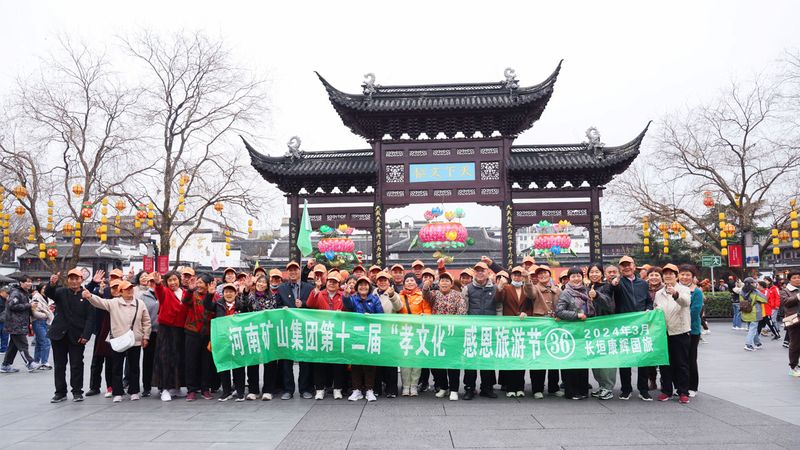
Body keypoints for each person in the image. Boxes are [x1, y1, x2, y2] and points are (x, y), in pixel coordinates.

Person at [84, 280, 151, 403]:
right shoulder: (114, 303)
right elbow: (100, 303)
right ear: (120, 292)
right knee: (117, 367)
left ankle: (134, 391)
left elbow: (146, 321)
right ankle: (117, 392)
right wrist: (90, 296)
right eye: (126, 289)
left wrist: (145, 337)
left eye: (131, 288)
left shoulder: (139, 303)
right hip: (118, 340)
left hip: (135, 340)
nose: (130, 290)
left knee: (134, 367)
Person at [46, 269, 96, 402]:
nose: (74, 281)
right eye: (71, 279)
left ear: (82, 280)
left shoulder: (86, 295)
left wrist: (86, 335)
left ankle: (77, 391)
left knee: (77, 364)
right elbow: (49, 293)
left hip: (77, 336)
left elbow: (91, 318)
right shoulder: (61, 292)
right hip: (58, 334)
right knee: (59, 365)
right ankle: (60, 392)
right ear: (67, 280)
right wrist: (52, 284)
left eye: (77, 279)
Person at [612, 255, 653, 401]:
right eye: (623, 265)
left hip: (641, 326)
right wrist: (614, 284)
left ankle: (643, 389)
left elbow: (648, 301)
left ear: (634, 266)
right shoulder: (617, 283)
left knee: (643, 358)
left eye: (628, 265)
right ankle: (626, 389)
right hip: (624, 326)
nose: (626, 267)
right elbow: (612, 294)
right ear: (620, 269)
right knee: (625, 358)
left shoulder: (642, 284)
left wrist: (648, 309)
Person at [423, 271, 466, 401]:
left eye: (447, 280)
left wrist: (453, 325)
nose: (444, 282)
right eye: (442, 280)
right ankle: (443, 387)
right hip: (437, 333)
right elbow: (425, 296)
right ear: (439, 283)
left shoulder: (458, 296)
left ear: (452, 283)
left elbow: (462, 313)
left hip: (453, 334)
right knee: (438, 361)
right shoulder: (435, 294)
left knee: (453, 363)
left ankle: (453, 389)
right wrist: (426, 286)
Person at [275, 261, 314, 400]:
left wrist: (303, 304)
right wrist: (282, 309)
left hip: (304, 329)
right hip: (287, 330)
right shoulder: (281, 289)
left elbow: (314, 306)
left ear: (299, 271)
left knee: (305, 360)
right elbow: (277, 306)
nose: (292, 272)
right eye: (290, 270)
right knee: (287, 361)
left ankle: (305, 389)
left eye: (295, 270)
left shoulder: (309, 288)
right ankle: (288, 389)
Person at [306, 273, 348, 400]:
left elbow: (349, 309)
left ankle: (337, 389)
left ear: (338, 284)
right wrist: (316, 289)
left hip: (337, 333)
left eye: (335, 282)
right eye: (330, 281)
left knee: (338, 362)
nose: (332, 284)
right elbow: (309, 304)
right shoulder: (319, 293)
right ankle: (319, 389)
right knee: (320, 362)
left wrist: (346, 299)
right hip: (322, 332)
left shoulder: (342, 295)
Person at [654, 264, 692, 404]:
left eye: (671, 274)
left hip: (680, 331)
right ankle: (666, 390)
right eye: (665, 274)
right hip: (664, 333)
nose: (668, 276)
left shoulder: (684, 289)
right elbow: (657, 310)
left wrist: (675, 294)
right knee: (665, 363)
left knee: (681, 363)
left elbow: (685, 302)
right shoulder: (659, 293)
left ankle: (683, 391)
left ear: (676, 276)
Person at [343, 276, 384, 402]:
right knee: (356, 363)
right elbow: (348, 305)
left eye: (365, 285)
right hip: (356, 335)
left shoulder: (375, 299)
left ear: (369, 287)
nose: (363, 287)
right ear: (356, 287)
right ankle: (356, 390)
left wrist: (371, 317)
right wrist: (345, 295)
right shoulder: (353, 299)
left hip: (370, 335)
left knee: (369, 363)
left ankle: (369, 390)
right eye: (360, 285)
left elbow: (381, 315)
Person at [556, 266, 593, 400]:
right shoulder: (566, 292)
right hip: (570, 332)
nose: (576, 278)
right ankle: (571, 391)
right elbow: (559, 311)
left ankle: (583, 390)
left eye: (578, 276)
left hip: (584, 332)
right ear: (569, 279)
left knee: (583, 362)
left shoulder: (587, 291)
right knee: (570, 362)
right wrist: (577, 315)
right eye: (573, 276)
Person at [462, 261, 498, 400]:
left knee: (487, 359)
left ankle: (487, 388)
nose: (480, 273)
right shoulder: (468, 288)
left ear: (488, 272)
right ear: (474, 273)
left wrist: (498, 325)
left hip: (489, 329)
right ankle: (469, 388)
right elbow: (464, 308)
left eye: (482, 270)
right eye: (477, 270)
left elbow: (499, 307)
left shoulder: (494, 288)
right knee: (470, 360)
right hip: (472, 330)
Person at [205, 283, 247, 401]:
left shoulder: (241, 305)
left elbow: (249, 311)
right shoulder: (218, 304)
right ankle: (226, 392)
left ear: (235, 293)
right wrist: (210, 294)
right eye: (226, 292)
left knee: (238, 366)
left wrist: (246, 291)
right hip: (223, 340)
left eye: (231, 291)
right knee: (224, 366)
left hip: (237, 339)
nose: (228, 294)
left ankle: (240, 392)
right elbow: (207, 305)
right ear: (223, 294)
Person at [495, 266, 532, 398]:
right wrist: (499, 286)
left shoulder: (526, 289)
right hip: (509, 326)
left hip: (522, 326)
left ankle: (520, 387)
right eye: (515, 275)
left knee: (520, 357)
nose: (517, 277)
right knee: (510, 357)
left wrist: (526, 313)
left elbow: (530, 304)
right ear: (511, 277)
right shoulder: (507, 288)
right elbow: (498, 299)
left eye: (519, 275)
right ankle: (510, 387)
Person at [152, 270, 188, 402]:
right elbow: (160, 292)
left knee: (178, 358)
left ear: (179, 280)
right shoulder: (165, 292)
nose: (173, 282)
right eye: (170, 280)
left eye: (175, 279)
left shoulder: (185, 293)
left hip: (181, 329)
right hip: (166, 330)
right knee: (165, 358)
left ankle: (176, 387)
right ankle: (165, 389)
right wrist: (158, 284)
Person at [246, 270, 282, 400]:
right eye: (259, 282)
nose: (261, 284)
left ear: (267, 285)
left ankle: (268, 390)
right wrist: (246, 288)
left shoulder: (272, 297)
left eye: (264, 282)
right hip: (253, 332)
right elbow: (243, 305)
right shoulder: (249, 296)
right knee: (252, 362)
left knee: (270, 362)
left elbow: (275, 312)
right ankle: (253, 390)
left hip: (268, 333)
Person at [527, 265, 562, 398]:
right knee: (538, 358)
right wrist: (527, 280)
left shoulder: (557, 290)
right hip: (539, 328)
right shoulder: (535, 289)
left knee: (554, 357)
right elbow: (529, 293)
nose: (542, 276)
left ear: (550, 274)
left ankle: (554, 387)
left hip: (554, 327)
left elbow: (562, 306)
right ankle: (537, 389)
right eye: (540, 274)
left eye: (545, 273)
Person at [396, 275, 432, 396]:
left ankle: (414, 386)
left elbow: (427, 311)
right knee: (405, 360)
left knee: (416, 361)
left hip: (418, 332)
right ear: (404, 283)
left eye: (412, 280)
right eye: (407, 281)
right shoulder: (399, 296)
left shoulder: (422, 296)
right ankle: (405, 386)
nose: (410, 282)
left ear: (416, 283)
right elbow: (396, 311)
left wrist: (424, 317)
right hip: (404, 332)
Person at [182, 273, 215, 402]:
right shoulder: (193, 295)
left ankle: (205, 389)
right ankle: (191, 390)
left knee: (206, 363)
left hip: (208, 334)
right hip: (192, 332)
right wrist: (190, 290)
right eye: (198, 282)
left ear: (208, 285)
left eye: (202, 283)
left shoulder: (214, 296)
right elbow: (184, 302)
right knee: (191, 362)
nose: (199, 285)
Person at [586, 263, 615, 400]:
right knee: (595, 358)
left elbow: (610, 304)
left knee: (606, 358)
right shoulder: (586, 288)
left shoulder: (607, 286)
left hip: (605, 328)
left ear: (602, 274)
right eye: (592, 272)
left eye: (597, 272)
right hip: (591, 329)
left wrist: (597, 295)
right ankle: (601, 385)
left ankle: (608, 387)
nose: (594, 274)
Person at [0, 275, 40, 373]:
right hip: (15, 323)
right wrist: (29, 305)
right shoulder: (16, 293)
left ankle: (6, 365)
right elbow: (12, 305)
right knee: (23, 344)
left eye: (31, 281)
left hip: (20, 323)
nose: (30, 283)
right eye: (27, 281)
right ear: (21, 283)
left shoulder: (24, 293)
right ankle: (30, 363)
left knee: (13, 346)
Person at [373, 271, 401, 398]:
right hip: (376, 332)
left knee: (390, 361)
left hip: (390, 332)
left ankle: (391, 389)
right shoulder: (372, 294)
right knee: (377, 362)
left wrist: (392, 296)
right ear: (376, 282)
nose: (382, 282)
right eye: (380, 280)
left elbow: (399, 307)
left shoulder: (393, 294)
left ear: (389, 282)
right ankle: (376, 388)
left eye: (385, 280)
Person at [678, 265, 703, 398]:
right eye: (682, 274)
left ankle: (692, 386)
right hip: (676, 329)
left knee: (691, 359)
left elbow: (695, 311)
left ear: (693, 277)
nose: (685, 277)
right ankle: (681, 386)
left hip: (691, 330)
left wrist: (684, 325)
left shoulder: (697, 292)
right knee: (680, 360)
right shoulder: (675, 289)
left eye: (688, 274)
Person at [135, 272, 159, 397]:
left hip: (162, 332)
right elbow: (139, 316)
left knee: (161, 360)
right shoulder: (142, 296)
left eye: (155, 281)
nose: (153, 284)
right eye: (151, 281)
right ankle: (146, 386)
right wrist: (144, 334)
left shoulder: (164, 293)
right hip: (149, 332)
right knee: (147, 360)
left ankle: (162, 385)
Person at [779, 270, 800, 376]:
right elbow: (785, 302)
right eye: (794, 277)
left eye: (798, 277)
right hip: (793, 320)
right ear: (790, 279)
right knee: (795, 344)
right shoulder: (785, 290)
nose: (797, 279)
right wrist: (797, 297)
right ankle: (793, 367)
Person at [31, 283, 54, 370]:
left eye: (46, 288)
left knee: (39, 343)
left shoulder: (47, 298)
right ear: (40, 289)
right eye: (43, 288)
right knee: (46, 342)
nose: (45, 290)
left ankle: (36, 362)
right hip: (38, 321)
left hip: (45, 322)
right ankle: (44, 362)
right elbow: (34, 312)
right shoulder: (36, 298)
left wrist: (49, 310)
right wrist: (46, 315)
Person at [740, 277, 767, 351]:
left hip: (745, 312)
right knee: (753, 329)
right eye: (753, 282)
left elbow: (741, 302)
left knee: (752, 328)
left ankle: (757, 343)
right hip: (754, 312)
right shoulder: (755, 292)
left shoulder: (741, 291)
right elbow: (765, 299)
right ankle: (748, 344)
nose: (755, 284)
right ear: (750, 283)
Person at [0, 286, 9, 353]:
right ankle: (3, 348)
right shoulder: (2, 300)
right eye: (7, 293)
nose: (8, 294)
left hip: (4, 320)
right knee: (4, 335)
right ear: (2, 292)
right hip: (2, 320)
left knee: (5, 335)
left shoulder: (5, 299)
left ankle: (4, 348)